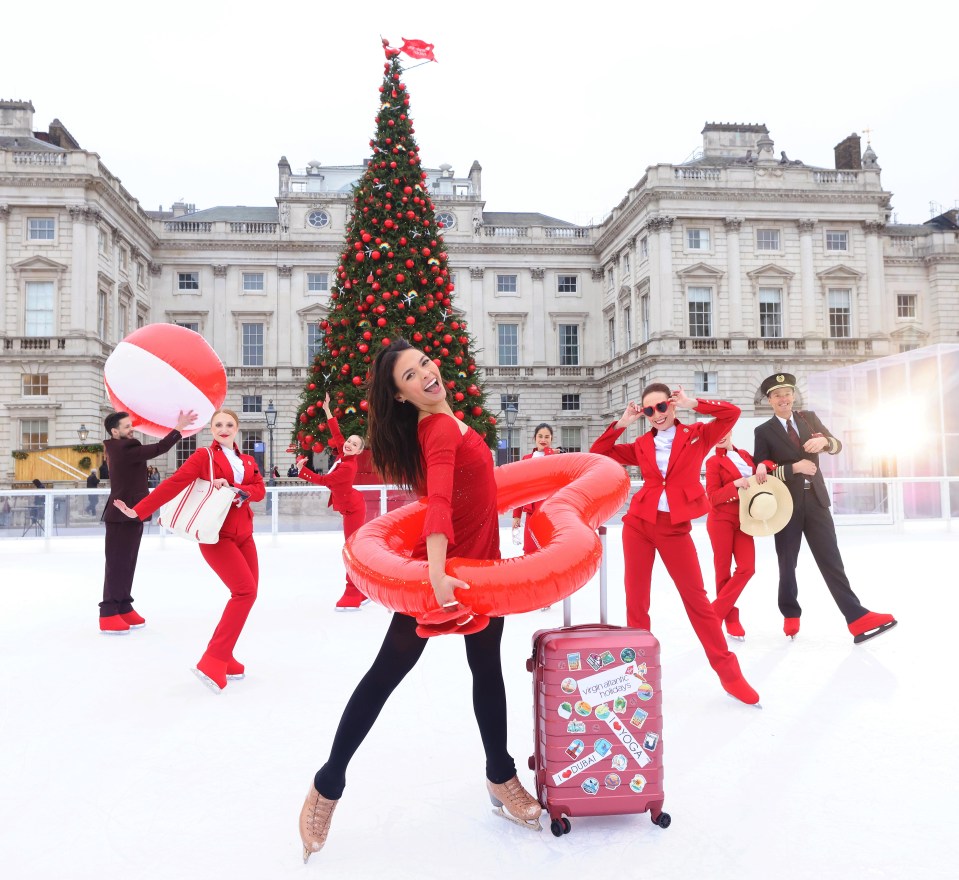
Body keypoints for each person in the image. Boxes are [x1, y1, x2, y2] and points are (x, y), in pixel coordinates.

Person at [298, 339, 542, 862]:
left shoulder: (448, 421)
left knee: (487, 671)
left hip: (482, 571)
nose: (427, 374)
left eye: (425, 363)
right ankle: (326, 785)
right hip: (449, 575)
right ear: (402, 395)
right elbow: (435, 503)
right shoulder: (436, 430)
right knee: (385, 675)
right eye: (412, 375)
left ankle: (500, 776)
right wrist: (435, 573)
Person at [590, 383, 760, 706]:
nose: (656, 415)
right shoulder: (641, 444)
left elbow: (732, 413)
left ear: (672, 406)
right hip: (638, 526)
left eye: (661, 407)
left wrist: (694, 401)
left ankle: (729, 673)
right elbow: (599, 452)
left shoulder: (697, 435)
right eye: (649, 410)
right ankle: (637, 674)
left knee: (697, 601)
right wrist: (623, 422)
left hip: (674, 529)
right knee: (636, 604)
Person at [113, 408, 265, 690]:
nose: (223, 428)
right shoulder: (203, 457)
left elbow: (259, 489)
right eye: (218, 424)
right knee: (245, 592)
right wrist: (139, 510)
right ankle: (214, 659)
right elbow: (174, 484)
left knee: (247, 594)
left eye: (229, 424)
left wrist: (235, 486)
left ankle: (225, 653)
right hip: (217, 535)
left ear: (237, 428)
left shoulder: (246, 460)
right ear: (211, 429)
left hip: (245, 534)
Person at [753, 372, 898, 643]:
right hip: (785, 506)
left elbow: (837, 445)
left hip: (817, 502)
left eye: (787, 393)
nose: (783, 399)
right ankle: (790, 612)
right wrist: (793, 468)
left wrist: (825, 442)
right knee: (788, 563)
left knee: (832, 561)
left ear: (793, 395)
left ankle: (856, 618)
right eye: (776, 395)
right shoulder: (763, 432)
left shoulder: (809, 418)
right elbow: (762, 471)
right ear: (769, 400)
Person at [99, 410, 196, 635]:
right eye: (126, 427)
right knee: (116, 565)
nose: (130, 429)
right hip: (121, 515)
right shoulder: (124, 448)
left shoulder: (122, 445)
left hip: (133, 512)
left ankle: (123, 605)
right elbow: (159, 448)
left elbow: (136, 434)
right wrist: (179, 427)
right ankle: (108, 611)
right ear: (115, 432)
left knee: (128, 562)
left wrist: (137, 418)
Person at [296, 393, 371, 611]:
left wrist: (303, 471)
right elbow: (336, 432)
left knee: (350, 550)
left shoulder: (348, 467)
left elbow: (325, 480)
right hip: (349, 505)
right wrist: (328, 409)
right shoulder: (343, 455)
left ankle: (353, 592)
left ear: (358, 451)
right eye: (349, 441)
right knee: (352, 549)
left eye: (353, 444)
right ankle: (361, 589)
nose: (348, 444)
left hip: (353, 510)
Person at [705, 433, 757, 640]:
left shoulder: (744, 455)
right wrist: (734, 485)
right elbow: (713, 497)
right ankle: (731, 618)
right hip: (721, 519)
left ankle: (714, 612)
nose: (719, 436)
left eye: (723, 431)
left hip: (745, 519)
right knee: (723, 570)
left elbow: (760, 476)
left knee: (747, 567)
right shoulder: (713, 461)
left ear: (730, 431)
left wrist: (764, 466)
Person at [511, 422, 558, 553]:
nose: (543, 440)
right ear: (535, 438)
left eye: (547, 437)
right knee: (531, 550)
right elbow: (520, 488)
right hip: (531, 513)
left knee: (549, 550)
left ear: (551, 439)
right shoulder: (526, 459)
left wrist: (549, 452)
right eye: (540, 436)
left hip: (550, 513)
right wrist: (517, 515)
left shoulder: (556, 458)